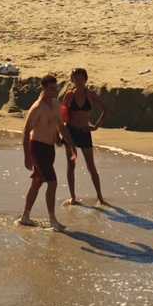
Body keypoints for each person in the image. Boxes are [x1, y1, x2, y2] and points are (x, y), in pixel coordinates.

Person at [18, 74, 67, 229]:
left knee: (37, 183)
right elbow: (26, 132)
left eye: (56, 87)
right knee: (52, 183)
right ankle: (53, 220)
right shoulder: (37, 107)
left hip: (49, 149)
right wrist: (27, 157)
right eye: (51, 88)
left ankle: (25, 217)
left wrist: (62, 141)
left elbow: (58, 125)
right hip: (37, 148)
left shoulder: (56, 104)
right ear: (44, 88)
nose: (55, 90)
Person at [62, 68, 109, 207]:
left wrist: (95, 126)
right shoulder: (69, 95)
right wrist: (59, 131)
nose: (79, 82)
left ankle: (100, 197)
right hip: (70, 131)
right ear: (73, 81)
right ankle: (73, 196)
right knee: (71, 165)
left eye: (82, 79)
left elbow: (105, 109)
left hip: (84, 131)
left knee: (91, 166)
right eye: (77, 79)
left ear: (85, 79)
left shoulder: (91, 95)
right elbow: (60, 113)